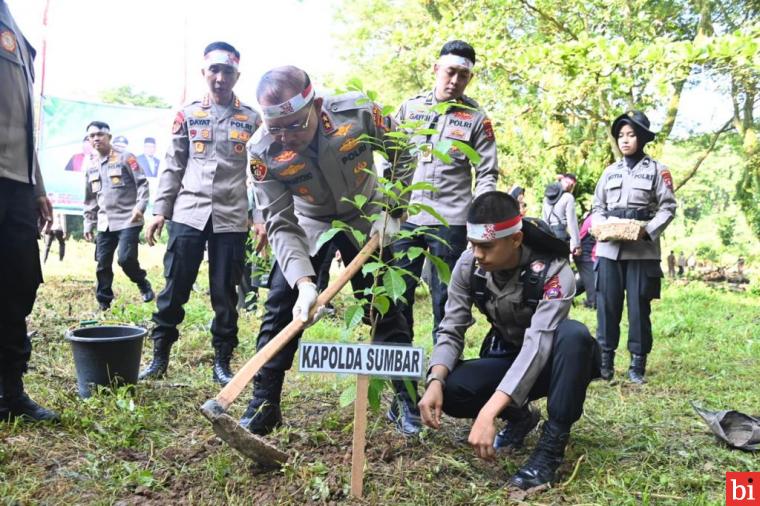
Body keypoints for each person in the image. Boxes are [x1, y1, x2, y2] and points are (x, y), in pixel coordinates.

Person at [240, 65, 418, 436]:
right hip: (310, 221)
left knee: (388, 308)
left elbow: (403, 151)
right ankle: (264, 402)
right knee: (280, 308)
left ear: (316, 106)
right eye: (276, 128)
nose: (286, 137)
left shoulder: (359, 112)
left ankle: (406, 401)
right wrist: (305, 283)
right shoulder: (261, 150)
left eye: (294, 125)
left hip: (367, 212)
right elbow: (279, 221)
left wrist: (393, 209)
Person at [418, 191, 599, 490]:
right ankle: (519, 417)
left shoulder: (553, 270)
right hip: (507, 354)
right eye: (473, 244)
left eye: (486, 246)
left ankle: (551, 447)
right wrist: (434, 379)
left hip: (554, 364)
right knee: (451, 387)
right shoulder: (469, 266)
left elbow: (538, 345)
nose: (477, 253)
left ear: (515, 239)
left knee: (574, 335)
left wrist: (489, 412)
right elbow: (451, 328)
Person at [141, 42, 261, 386]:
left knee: (225, 293)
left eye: (227, 72)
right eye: (214, 70)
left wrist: (260, 218)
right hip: (189, 212)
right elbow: (173, 163)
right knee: (174, 287)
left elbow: (261, 173)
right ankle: (159, 357)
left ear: (237, 75)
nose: (220, 78)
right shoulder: (188, 113)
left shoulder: (251, 118)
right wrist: (160, 210)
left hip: (231, 216)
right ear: (204, 72)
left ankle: (222, 362)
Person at [391, 40, 499, 345]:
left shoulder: (477, 118)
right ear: (436, 69)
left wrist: (478, 221)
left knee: (447, 301)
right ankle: (403, 382)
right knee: (399, 297)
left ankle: (442, 373)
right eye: (450, 72)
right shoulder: (410, 108)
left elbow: (487, 173)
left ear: (470, 78)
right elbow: (393, 158)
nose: (454, 81)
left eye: (462, 76)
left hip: (450, 222)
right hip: (406, 218)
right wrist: (387, 207)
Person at [0, 0, 59, 422]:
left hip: (17, 185)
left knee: (19, 284)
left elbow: (22, 122)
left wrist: (36, 184)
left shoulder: (15, 31)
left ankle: (10, 391)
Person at [592, 110, 677, 384]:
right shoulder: (609, 172)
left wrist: (647, 232)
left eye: (630, 135)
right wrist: (602, 226)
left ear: (641, 138)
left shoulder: (657, 170)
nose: (625, 140)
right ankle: (604, 364)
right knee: (607, 305)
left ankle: (637, 365)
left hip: (642, 251)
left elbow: (667, 208)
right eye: (621, 135)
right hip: (610, 248)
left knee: (639, 307)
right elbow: (597, 206)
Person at [82, 121, 153, 311]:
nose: (96, 138)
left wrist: (140, 207)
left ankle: (142, 282)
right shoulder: (91, 165)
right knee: (102, 263)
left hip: (128, 219)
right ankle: (103, 302)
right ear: (89, 140)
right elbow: (90, 197)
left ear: (109, 137)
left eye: (100, 134)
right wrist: (89, 223)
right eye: (92, 136)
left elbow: (143, 184)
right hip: (105, 222)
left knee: (125, 259)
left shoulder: (125, 157)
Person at [542, 173, 581, 256]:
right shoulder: (568, 197)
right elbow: (572, 223)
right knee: (562, 265)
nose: (569, 187)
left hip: (548, 237)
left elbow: (544, 221)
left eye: (571, 185)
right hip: (561, 237)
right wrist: (577, 244)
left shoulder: (546, 198)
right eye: (567, 183)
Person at [574, 212, 597, 309]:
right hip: (584, 254)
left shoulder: (592, 217)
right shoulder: (595, 218)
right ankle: (591, 303)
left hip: (584, 253)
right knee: (591, 280)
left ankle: (564, 295)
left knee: (585, 280)